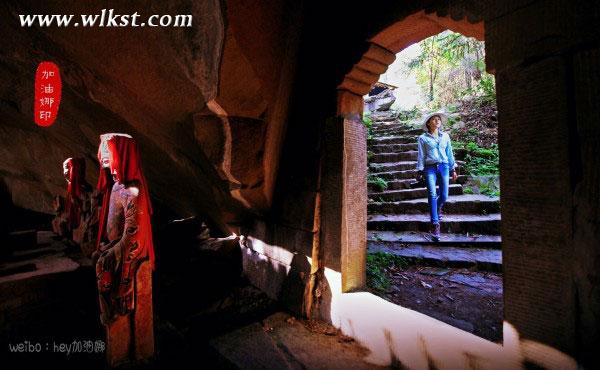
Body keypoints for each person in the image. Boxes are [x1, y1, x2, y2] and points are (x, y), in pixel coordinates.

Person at [416, 112, 458, 241]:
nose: (437, 121)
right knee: (432, 194)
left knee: (444, 195)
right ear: (428, 123)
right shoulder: (423, 138)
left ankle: (438, 208)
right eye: (434, 119)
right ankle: (435, 224)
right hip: (430, 168)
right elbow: (421, 155)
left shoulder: (445, 136)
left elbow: (449, 153)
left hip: (444, 166)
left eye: (438, 119)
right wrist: (419, 170)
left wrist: (453, 169)